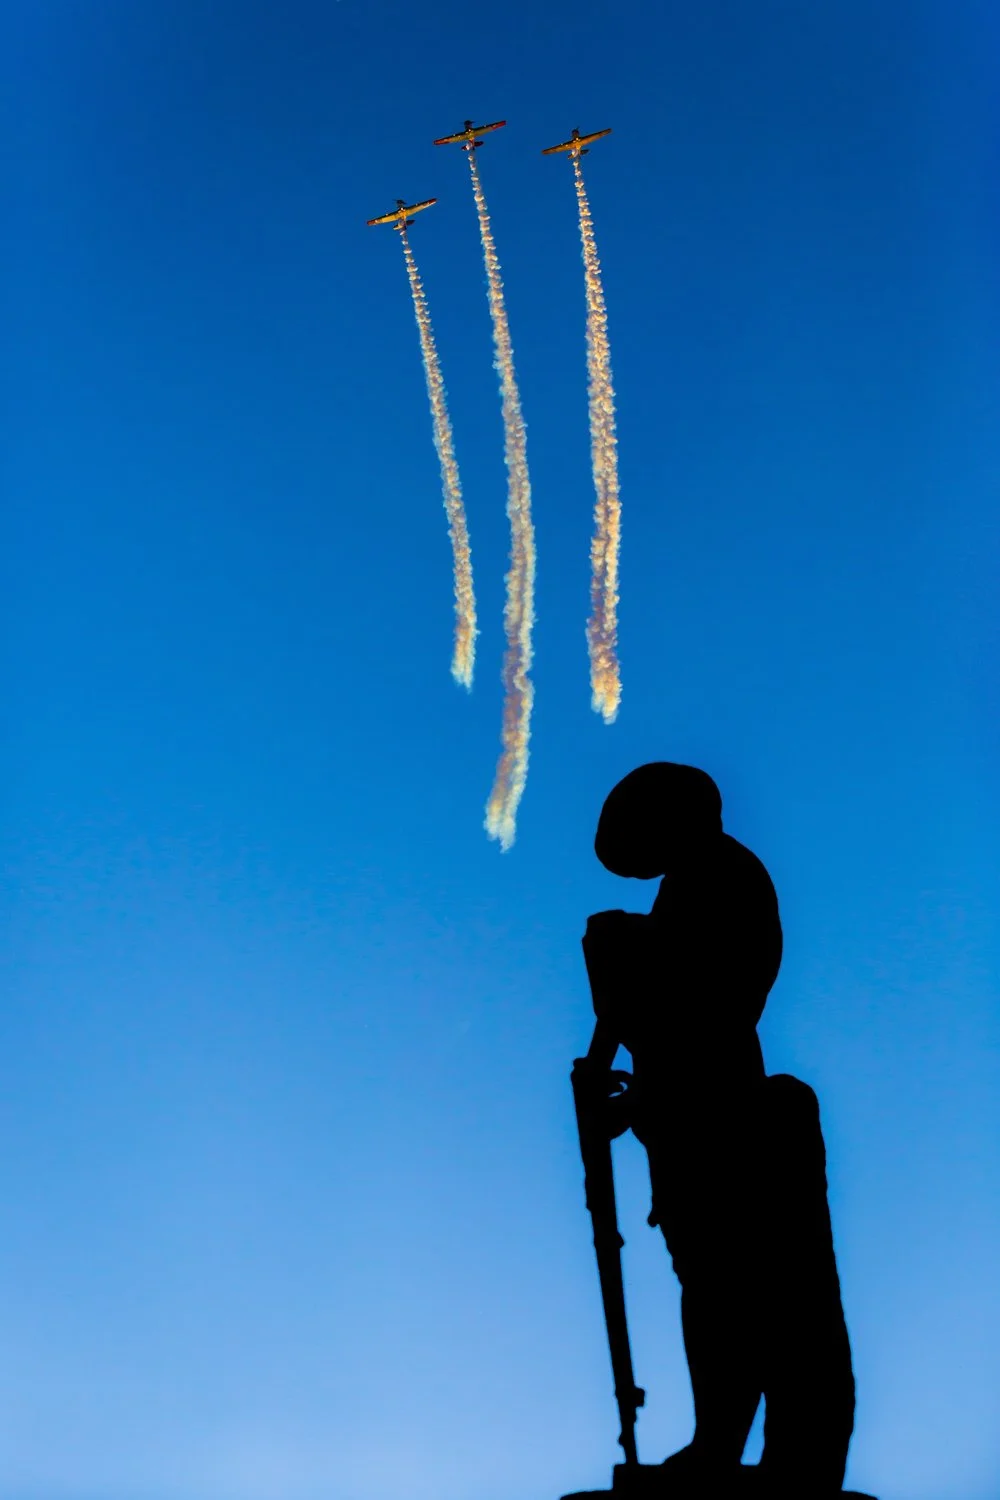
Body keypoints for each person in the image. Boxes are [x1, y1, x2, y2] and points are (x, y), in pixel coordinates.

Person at [578, 762, 856, 1496]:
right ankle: (721, 1441)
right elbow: (674, 1030)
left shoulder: (719, 878)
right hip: (692, 1108)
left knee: (734, 1287)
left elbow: (700, 1017)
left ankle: (733, 1446)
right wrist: (636, 1100)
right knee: (712, 1284)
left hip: (718, 1112)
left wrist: (617, 955)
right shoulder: (696, 883)